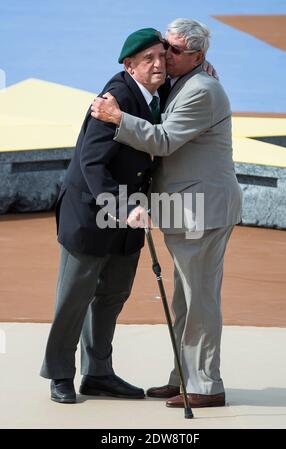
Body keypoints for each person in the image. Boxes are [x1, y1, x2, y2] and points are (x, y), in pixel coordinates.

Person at [90, 18, 243, 408]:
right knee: (185, 299)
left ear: (196, 55)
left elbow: (165, 140)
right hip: (188, 209)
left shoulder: (202, 90)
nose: (164, 55)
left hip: (202, 211)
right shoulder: (186, 80)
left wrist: (117, 118)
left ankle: (206, 385)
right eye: (162, 46)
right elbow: (151, 76)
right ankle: (183, 378)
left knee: (201, 300)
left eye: (173, 50)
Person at [40, 28, 167, 403]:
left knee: (112, 295)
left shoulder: (157, 93)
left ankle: (97, 373)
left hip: (126, 218)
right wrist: (125, 205)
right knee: (75, 297)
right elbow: (91, 163)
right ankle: (60, 374)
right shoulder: (114, 97)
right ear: (130, 65)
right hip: (92, 213)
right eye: (149, 59)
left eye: (162, 56)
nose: (159, 64)